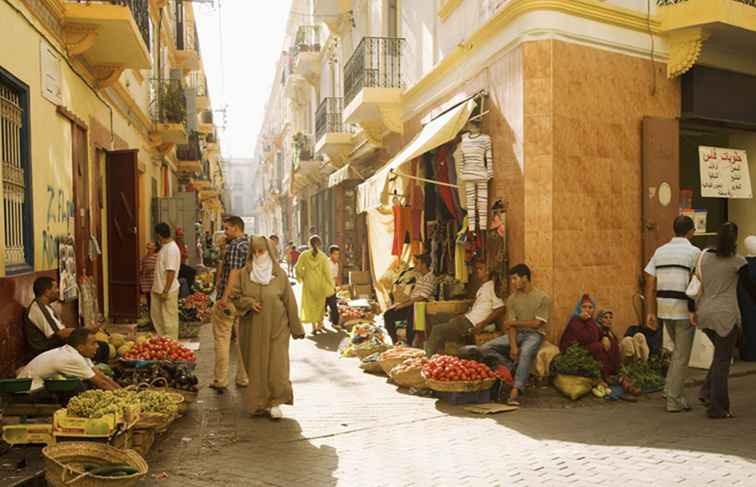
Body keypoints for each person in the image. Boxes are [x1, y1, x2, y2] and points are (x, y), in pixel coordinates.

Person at [229, 236, 305, 419]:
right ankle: (259, 403)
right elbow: (235, 296)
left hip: (278, 328)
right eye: (254, 252)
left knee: (277, 367)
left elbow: (290, 302)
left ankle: (275, 401)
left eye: (261, 251)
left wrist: (297, 328)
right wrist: (248, 303)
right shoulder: (244, 274)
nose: (257, 255)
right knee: (256, 367)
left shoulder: (279, 275)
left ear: (268, 252)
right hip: (252, 330)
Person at [695, 223, 756, 419]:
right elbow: (750, 289)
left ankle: (706, 391)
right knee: (723, 361)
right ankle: (718, 407)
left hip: (704, 313)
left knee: (720, 356)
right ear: (735, 240)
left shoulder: (704, 258)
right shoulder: (738, 262)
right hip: (725, 316)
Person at [644, 215, 701, 412]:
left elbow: (650, 282)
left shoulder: (660, 251)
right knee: (681, 355)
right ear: (691, 231)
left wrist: (650, 311)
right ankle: (674, 399)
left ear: (674, 230)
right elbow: (697, 282)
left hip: (663, 307)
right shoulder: (695, 252)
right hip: (684, 309)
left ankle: (669, 389)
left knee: (677, 351)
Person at [480, 264, 551, 406]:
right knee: (485, 347)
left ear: (525, 278)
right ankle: (509, 368)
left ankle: (516, 390)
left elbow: (537, 324)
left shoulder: (543, 298)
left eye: (514, 278)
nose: (512, 282)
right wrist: (513, 346)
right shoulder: (512, 299)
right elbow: (510, 326)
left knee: (525, 352)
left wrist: (515, 323)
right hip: (517, 334)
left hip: (535, 335)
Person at [425, 260, 505, 356]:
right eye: (477, 269)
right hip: (466, 319)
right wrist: (463, 314)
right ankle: (441, 352)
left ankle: (428, 358)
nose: (477, 271)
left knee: (437, 330)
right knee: (438, 316)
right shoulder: (483, 287)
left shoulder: (491, 286)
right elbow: (478, 309)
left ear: (488, 271)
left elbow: (500, 308)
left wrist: (483, 324)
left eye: (480, 269)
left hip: (470, 324)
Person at [210, 216, 250, 393]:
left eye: (227, 229)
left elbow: (233, 273)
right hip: (245, 299)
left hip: (230, 299)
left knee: (222, 338)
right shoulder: (248, 245)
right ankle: (243, 377)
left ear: (235, 228)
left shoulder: (235, 246)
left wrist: (224, 298)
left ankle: (220, 379)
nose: (225, 232)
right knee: (243, 340)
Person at [17, 328, 120, 392]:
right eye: (93, 343)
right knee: (80, 386)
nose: (97, 347)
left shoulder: (78, 353)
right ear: (80, 347)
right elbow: (101, 383)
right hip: (29, 390)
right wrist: (124, 399)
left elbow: (100, 376)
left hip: (39, 386)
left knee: (82, 384)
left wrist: (121, 390)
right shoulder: (73, 358)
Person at [560, 295, 621, 382]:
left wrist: (605, 337)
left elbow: (598, 333)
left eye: (590, 307)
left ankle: (613, 372)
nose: (587, 310)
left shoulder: (591, 321)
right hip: (574, 352)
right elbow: (588, 338)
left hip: (585, 349)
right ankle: (602, 377)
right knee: (598, 347)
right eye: (584, 307)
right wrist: (588, 320)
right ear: (579, 308)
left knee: (611, 342)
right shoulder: (575, 321)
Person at [383, 254, 435, 347]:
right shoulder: (419, 277)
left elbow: (422, 297)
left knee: (412, 310)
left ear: (424, 265)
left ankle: (410, 343)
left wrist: (403, 305)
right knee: (388, 314)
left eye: (417, 263)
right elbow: (412, 296)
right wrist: (400, 303)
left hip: (421, 306)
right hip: (412, 304)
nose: (415, 266)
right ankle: (395, 342)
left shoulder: (430, 277)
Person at [24, 277, 74, 359]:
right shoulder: (38, 308)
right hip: (45, 353)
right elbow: (61, 333)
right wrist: (85, 331)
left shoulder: (46, 306)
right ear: (47, 292)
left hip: (55, 348)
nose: (58, 291)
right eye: (56, 288)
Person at [295, 235, 334, 335]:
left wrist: (302, 277)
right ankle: (319, 325)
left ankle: (313, 327)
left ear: (309, 243)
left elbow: (298, 268)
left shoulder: (304, 255)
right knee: (320, 305)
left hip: (308, 284)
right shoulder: (323, 256)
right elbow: (327, 272)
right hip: (320, 284)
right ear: (320, 244)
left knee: (310, 305)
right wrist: (331, 283)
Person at [152, 223, 181, 340]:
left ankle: (171, 344)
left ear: (159, 235)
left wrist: (165, 290)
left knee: (169, 321)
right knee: (158, 319)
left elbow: (171, 271)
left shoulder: (171, 249)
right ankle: (163, 343)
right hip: (159, 289)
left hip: (167, 290)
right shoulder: (165, 247)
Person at [738, 235, 756, 361]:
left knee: (747, 325)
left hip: (745, 300)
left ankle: (748, 353)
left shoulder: (741, 263)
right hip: (749, 299)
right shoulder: (741, 263)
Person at [175, 228, 197, 295]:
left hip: (182, 264)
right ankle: (190, 290)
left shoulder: (182, 243)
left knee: (192, 271)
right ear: (177, 235)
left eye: (182, 235)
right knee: (191, 271)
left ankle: (190, 289)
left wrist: (185, 254)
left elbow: (185, 253)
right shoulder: (176, 243)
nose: (181, 236)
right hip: (178, 265)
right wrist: (184, 254)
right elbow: (180, 253)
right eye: (179, 235)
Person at [139, 241, 160, 310]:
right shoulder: (144, 257)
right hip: (146, 282)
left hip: (154, 282)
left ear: (155, 247)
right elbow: (142, 267)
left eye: (151, 243)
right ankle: (151, 317)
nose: (148, 244)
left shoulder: (157, 256)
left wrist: (149, 270)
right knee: (149, 300)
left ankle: (155, 318)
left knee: (154, 300)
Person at [325, 245, 341, 326]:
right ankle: (319, 325)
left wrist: (338, 286)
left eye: (338, 254)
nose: (337, 256)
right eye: (335, 254)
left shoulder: (336, 264)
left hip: (332, 288)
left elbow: (336, 276)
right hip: (325, 288)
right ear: (330, 254)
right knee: (323, 308)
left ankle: (335, 323)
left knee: (333, 306)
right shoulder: (327, 263)